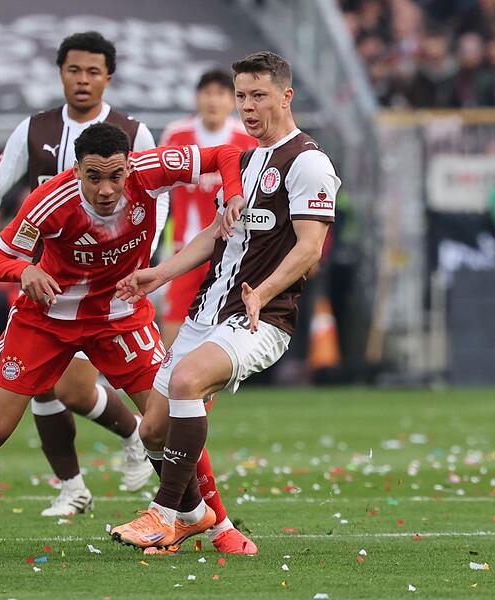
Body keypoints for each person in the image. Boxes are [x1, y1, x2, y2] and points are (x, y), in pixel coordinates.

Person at [0, 122, 258, 554]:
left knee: (171, 415)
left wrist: (234, 193)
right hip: (46, 319)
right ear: (76, 170)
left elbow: (225, 155)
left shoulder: (151, 168)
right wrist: (24, 270)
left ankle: (217, 528)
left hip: (120, 315)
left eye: (115, 176)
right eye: (94, 177)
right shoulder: (51, 200)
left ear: (129, 166)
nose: (106, 189)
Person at [111, 51, 341, 551]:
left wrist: (263, 292)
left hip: (263, 317)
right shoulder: (243, 159)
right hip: (206, 309)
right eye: (241, 96)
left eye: (258, 95)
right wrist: (159, 272)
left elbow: (309, 248)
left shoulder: (309, 162)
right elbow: (218, 236)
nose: (247, 107)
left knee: (189, 382)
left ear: (286, 96)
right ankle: (198, 515)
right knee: (152, 428)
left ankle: (165, 513)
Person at [0, 32, 168, 516]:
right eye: (73, 70)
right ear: (60, 73)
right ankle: (73, 487)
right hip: (42, 280)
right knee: (43, 385)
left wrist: (143, 253)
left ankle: (136, 442)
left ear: (109, 76)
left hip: (106, 287)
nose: (83, 80)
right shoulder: (34, 129)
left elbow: (159, 195)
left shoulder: (133, 133)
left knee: (70, 388)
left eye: (92, 72)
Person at [159, 68, 257, 346]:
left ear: (232, 101)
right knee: (173, 335)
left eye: (221, 94)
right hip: (185, 251)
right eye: (207, 93)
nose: (213, 101)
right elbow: (158, 190)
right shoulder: (176, 135)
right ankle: (170, 387)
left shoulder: (246, 140)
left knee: (215, 338)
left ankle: (206, 390)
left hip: (230, 254)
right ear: (197, 98)